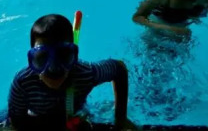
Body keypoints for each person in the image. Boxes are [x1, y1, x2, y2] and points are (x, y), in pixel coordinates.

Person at [8, 14, 137, 131]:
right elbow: (17, 123)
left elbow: (119, 69)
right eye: (42, 58)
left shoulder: (84, 73)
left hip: (75, 115)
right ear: (32, 59)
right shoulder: (23, 82)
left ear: (74, 56)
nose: (53, 69)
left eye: (63, 56)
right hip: (36, 118)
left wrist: (120, 119)